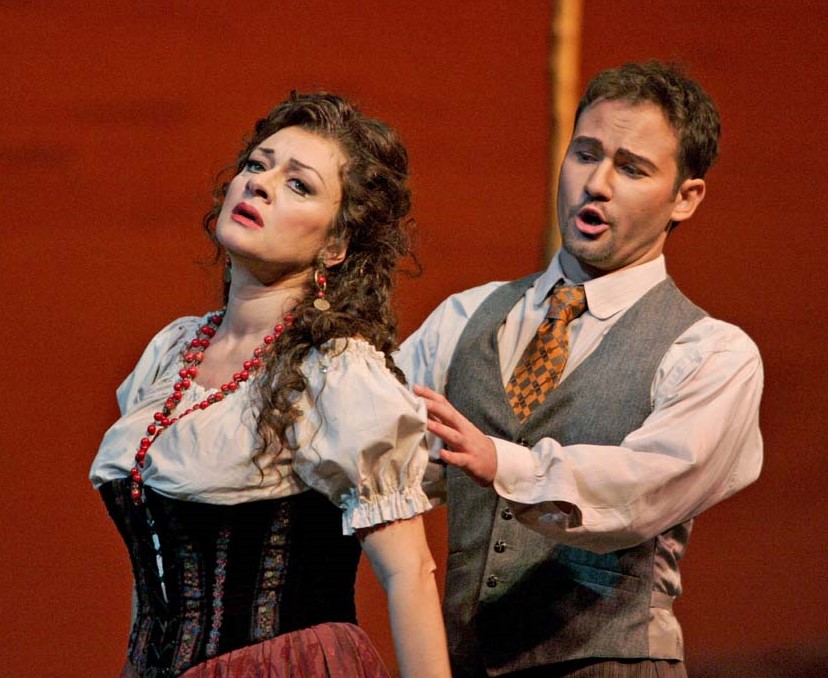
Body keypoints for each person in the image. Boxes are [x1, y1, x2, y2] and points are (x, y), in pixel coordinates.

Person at [397, 61, 763, 677]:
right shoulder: (465, 316)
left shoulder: (711, 354)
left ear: (685, 197)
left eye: (631, 168)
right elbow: (381, 454)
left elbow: (641, 489)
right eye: (585, 154)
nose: (597, 184)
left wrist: (504, 462)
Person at [90, 92, 451, 678]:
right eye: (257, 165)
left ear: (335, 246)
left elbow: (408, 572)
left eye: (299, 185)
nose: (259, 184)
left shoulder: (334, 371)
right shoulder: (172, 354)